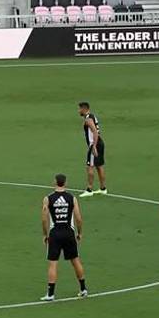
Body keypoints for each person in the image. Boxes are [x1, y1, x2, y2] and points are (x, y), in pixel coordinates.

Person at [40, 173, 86, 301]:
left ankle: (50, 294)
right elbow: (78, 218)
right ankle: (83, 289)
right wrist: (79, 233)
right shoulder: (72, 198)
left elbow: (44, 219)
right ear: (65, 183)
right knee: (75, 261)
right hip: (69, 233)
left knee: (53, 263)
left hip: (55, 233)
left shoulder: (48, 198)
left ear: (55, 182)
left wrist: (45, 234)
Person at [78, 102, 106, 197]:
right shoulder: (92, 116)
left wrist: (94, 146)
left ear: (84, 109)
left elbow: (95, 132)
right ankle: (103, 188)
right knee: (99, 166)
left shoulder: (88, 119)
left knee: (89, 166)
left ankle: (89, 189)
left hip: (95, 144)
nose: (79, 111)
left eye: (80, 109)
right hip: (100, 143)